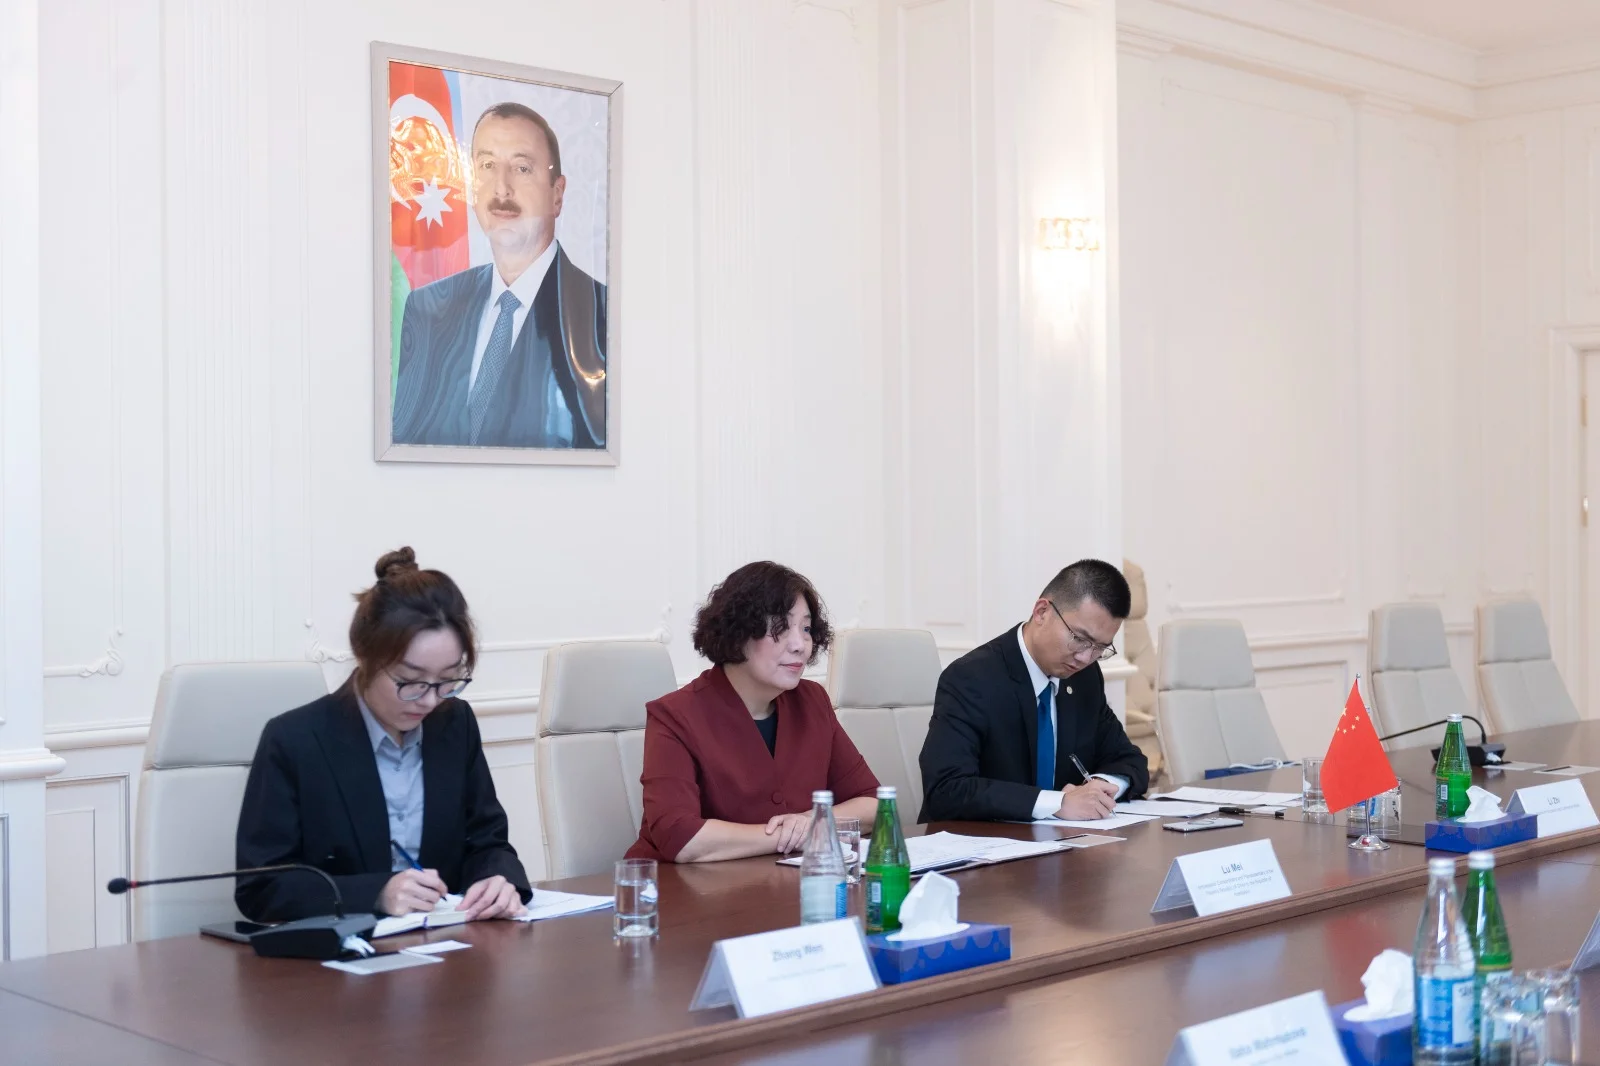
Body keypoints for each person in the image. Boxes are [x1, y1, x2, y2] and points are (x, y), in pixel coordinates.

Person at [235, 547, 531, 922]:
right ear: (365, 657)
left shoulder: (454, 724)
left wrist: (498, 878)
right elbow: (262, 887)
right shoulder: (295, 741)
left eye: (447, 680)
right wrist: (376, 894)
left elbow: (487, 841)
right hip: (341, 952)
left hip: (448, 943)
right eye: (409, 681)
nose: (429, 700)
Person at [628, 561, 880, 862]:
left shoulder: (812, 701)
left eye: (806, 628)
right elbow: (681, 837)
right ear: (739, 631)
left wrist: (810, 822)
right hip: (677, 887)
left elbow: (874, 804)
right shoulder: (674, 715)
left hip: (779, 883)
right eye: (780, 627)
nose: (800, 645)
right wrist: (791, 834)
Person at [392, 101, 606, 450]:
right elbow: (404, 449)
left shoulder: (605, 317)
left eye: (522, 168)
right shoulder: (427, 310)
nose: (501, 188)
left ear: (557, 194)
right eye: (487, 166)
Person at [918, 559, 1150, 824]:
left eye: (1100, 648)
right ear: (1041, 612)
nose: (1086, 657)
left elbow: (1130, 760)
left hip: (1062, 842)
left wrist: (1100, 786)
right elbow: (946, 789)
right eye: (1079, 639)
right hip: (981, 841)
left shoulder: (1084, 678)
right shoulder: (972, 678)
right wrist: (1056, 803)